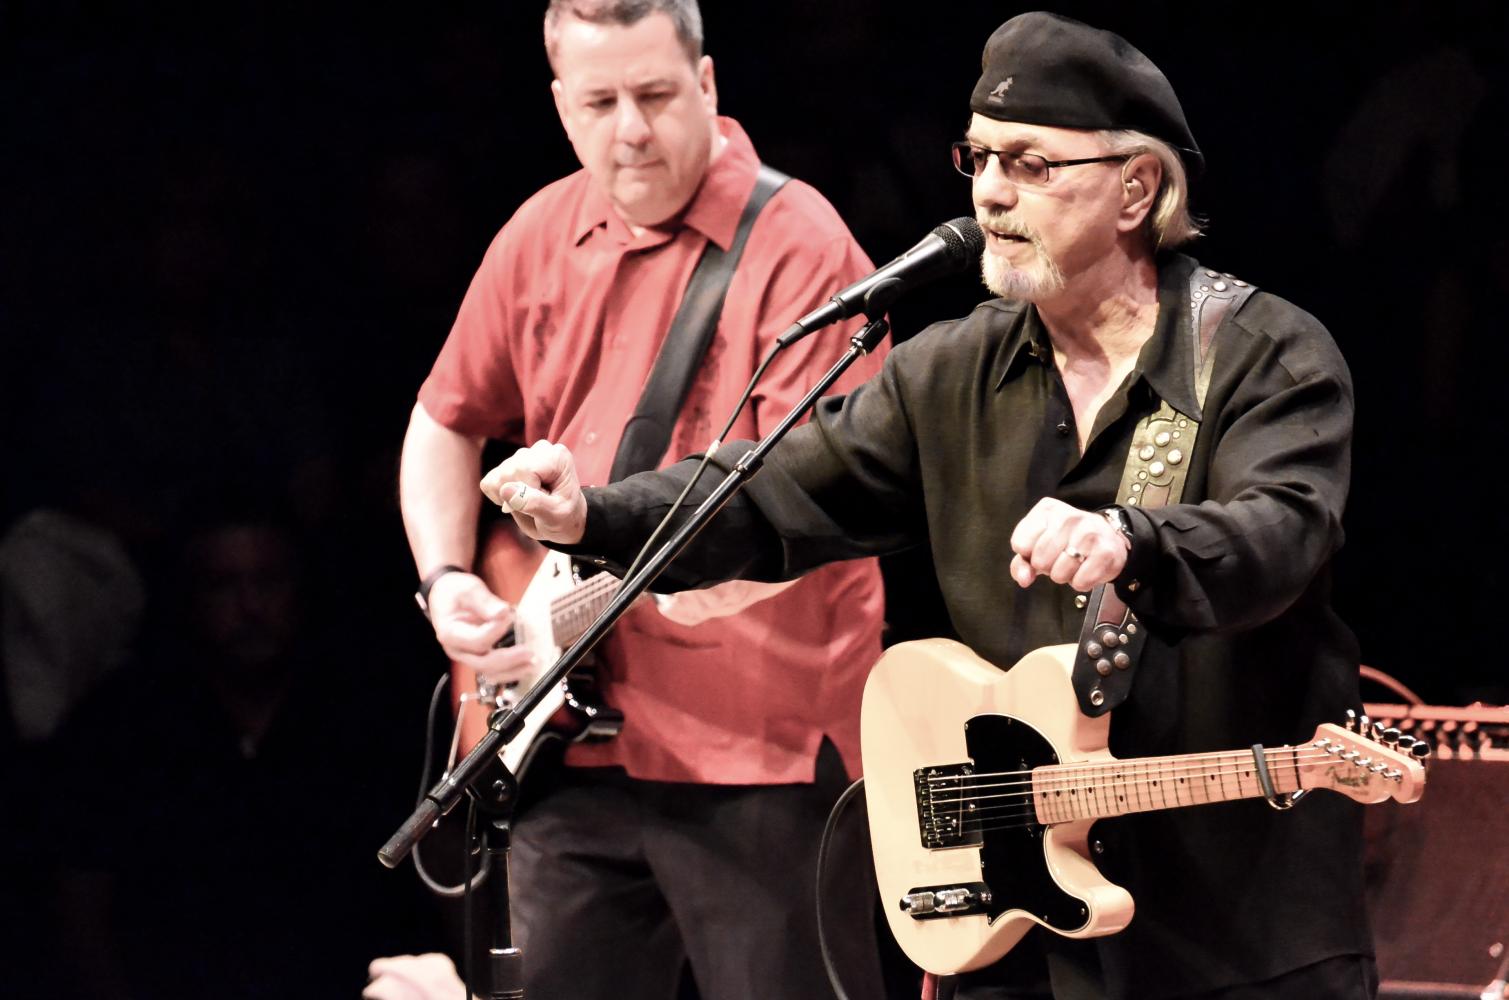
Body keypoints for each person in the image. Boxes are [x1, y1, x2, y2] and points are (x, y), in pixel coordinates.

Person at [479, 11, 1375, 1000]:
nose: (990, 191)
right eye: (978, 158)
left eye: (1031, 164)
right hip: (1018, 924)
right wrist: (593, 516)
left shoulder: (1263, 354)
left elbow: (1281, 531)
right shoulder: (954, 368)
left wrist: (1132, 536)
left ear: (1136, 187)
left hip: (1237, 929)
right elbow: (773, 492)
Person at [396, 1, 887, 997]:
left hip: (761, 749)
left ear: (706, 84)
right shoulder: (540, 231)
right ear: (560, 108)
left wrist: (682, 583)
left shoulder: (802, 246)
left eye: (656, 95)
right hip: (569, 737)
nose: (630, 129)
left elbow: (833, 500)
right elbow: (443, 420)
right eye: (600, 102)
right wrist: (446, 578)